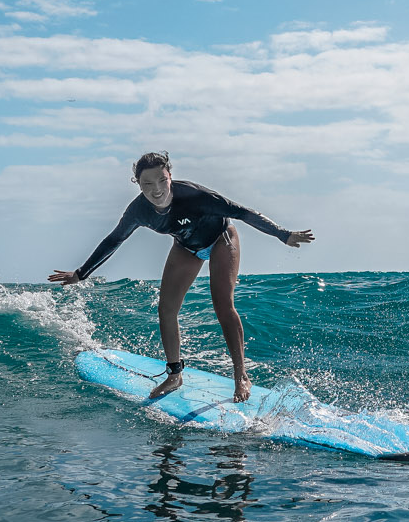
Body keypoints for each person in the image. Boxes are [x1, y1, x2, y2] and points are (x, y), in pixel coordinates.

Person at [48, 152, 313, 402]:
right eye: (147, 183)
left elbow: (241, 212)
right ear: (138, 184)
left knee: (223, 305)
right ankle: (174, 375)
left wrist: (282, 234)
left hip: (222, 239)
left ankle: (241, 374)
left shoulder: (194, 195)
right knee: (166, 308)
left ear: (170, 177)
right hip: (186, 247)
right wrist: (81, 274)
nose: (156, 189)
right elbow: (114, 240)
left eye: (162, 180)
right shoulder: (138, 211)